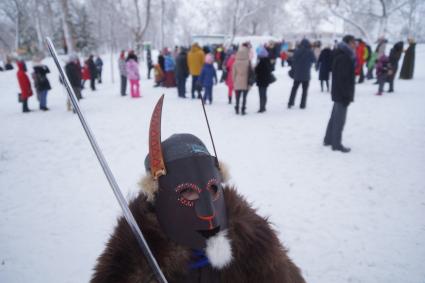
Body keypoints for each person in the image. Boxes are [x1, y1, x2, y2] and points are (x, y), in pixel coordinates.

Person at [90, 96, 307, 283]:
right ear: (156, 196)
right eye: (188, 192)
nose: (208, 211)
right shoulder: (130, 260)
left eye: (213, 189)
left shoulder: (255, 245)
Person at [323, 35, 356, 153]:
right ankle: (336, 144)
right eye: (353, 42)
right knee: (339, 120)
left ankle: (328, 139)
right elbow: (343, 79)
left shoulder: (341, 54)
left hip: (338, 92)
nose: (355, 44)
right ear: (347, 43)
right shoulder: (344, 57)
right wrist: (346, 96)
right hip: (342, 93)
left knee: (334, 118)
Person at [287, 38, 316, 109]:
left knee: (294, 89)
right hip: (306, 74)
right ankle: (302, 104)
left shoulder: (297, 51)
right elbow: (314, 60)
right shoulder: (310, 52)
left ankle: (290, 103)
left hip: (297, 74)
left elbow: (292, 59)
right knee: (304, 90)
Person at [232, 45, 252, 115]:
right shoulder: (248, 62)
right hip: (246, 82)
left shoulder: (235, 63)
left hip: (237, 82)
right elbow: (251, 72)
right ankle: (243, 109)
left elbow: (233, 74)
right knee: (244, 97)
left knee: (237, 97)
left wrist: (234, 81)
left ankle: (237, 108)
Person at [255, 46, 273, 113]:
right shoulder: (268, 61)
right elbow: (271, 69)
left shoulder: (261, 62)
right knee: (264, 94)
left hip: (261, 80)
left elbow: (257, 71)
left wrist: (256, 66)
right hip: (266, 80)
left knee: (261, 94)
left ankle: (261, 108)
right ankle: (263, 107)